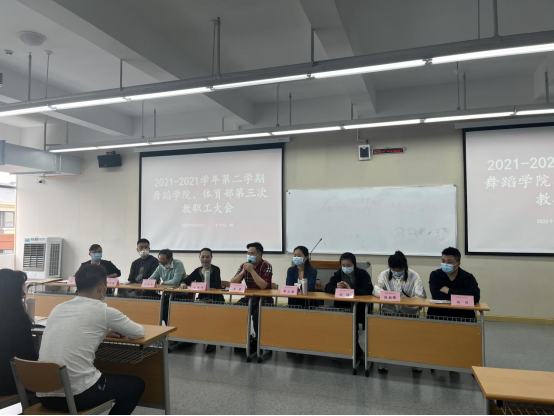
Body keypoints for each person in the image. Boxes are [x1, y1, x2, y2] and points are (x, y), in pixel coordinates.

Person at [37, 265, 145, 415]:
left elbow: (74, 328)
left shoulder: (58, 308)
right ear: (101, 287)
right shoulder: (103, 311)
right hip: (78, 395)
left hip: (44, 395)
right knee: (136, 385)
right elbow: (138, 332)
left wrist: (103, 330)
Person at [373, 251, 427, 373]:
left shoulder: (414, 276)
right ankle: (383, 362)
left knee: (412, 339)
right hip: (389, 312)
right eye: (393, 270)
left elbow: (420, 296)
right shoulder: (385, 274)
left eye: (399, 270)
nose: (396, 272)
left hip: (409, 314)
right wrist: (390, 295)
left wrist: (403, 302)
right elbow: (376, 289)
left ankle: (415, 363)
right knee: (385, 336)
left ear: (405, 267)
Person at [325, 253, 373, 363]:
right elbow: (327, 287)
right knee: (339, 328)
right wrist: (336, 288)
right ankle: (343, 350)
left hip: (359, 308)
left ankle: (356, 352)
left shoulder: (362, 274)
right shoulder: (338, 274)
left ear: (354, 265)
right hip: (342, 306)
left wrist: (351, 289)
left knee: (352, 327)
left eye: (348, 265)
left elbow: (368, 290)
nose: (345, 268)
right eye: (343, 265)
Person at [0, 269, 37, 396]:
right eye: (22, 288)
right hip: (8, 382)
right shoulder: (17, 318)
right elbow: (27, 356)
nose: (23, 293)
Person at [231, 242, 273, 353]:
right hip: (249, 298)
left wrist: (252, 271)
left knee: (257, 315)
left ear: (259, 254)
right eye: (248, 253)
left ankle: (260, 342)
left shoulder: (266, 265)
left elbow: (263, 286)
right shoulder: (244, 265)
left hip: (264, 300)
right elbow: (233, 283)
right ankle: (243, 340)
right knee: (236, 310)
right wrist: (243, 272)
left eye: (252, 253)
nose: (249, 255)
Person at [181, 248, 224, 354]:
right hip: (201, 299)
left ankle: (211, 341)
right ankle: (191, 338)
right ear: (199, 257)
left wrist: (200, 285)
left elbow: (217, 284)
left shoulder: (216, 269)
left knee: (211, 317)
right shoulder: (197, 270)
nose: (205, 259)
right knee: (189, 313)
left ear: (211, 258)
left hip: (216, 300)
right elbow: (186, 280)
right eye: (203, 257)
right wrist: (183, 283)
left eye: (207, 257)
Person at [428, 247, 481, 321]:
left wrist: (449, 291)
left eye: (449, 262)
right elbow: (436, 295)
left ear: (458, 264)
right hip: (438, 314)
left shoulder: (468, 277)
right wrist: (462, 296)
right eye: (443, 261)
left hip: (463, 316)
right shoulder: (435, 275)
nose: (445, 264)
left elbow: (475, 297)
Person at [148, 249, 186, 324]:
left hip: (179, 295)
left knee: (165, 311)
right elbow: (151, 279)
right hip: (167, 295)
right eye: (160, 262)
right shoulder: (160, 266)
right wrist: (147, 282)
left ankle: (168, 329)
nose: (162, 264)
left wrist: (163, 283)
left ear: (171, 259)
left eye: (164, 262)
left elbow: (176, 281)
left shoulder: (178, 264)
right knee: (153, 307)